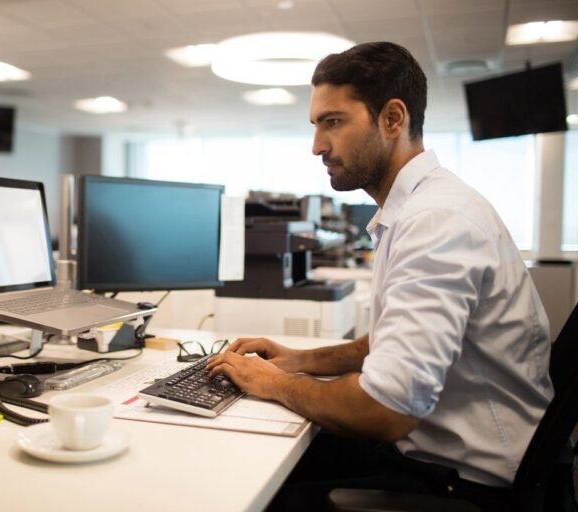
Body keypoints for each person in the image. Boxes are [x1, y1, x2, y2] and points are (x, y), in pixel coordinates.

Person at [207, 41, 553, 511]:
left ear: (392, 119)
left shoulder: (436, 220)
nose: (317, 146)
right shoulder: (417, 209)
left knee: (257, 493)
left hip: (468, 485)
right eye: (315, 125)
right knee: (256, 456)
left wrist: (272, 383)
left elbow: (387, 408)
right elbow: (384, 344)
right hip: (438, 454)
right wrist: (297, 360)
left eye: (333, 122)